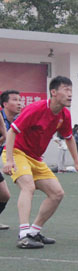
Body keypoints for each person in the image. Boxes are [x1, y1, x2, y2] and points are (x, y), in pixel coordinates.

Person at [2, 76, 78, 248]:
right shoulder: (36, 109)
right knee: (28, 186)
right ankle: (23, 235)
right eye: (66, 90)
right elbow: (11, 132)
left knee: (57, 193)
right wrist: (9, 160)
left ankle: (34, 232)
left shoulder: (64, 115)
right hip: (18, 153)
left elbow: (69, 138)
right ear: (53, 92)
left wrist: (77, 162)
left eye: (71, 90)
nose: (70, 94)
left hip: (35, 158)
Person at [0, 90, 21, 230]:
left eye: (20, 100)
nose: (19, 103)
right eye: (15, 100)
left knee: (4, 195)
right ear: (5, 104)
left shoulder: (18, 121)